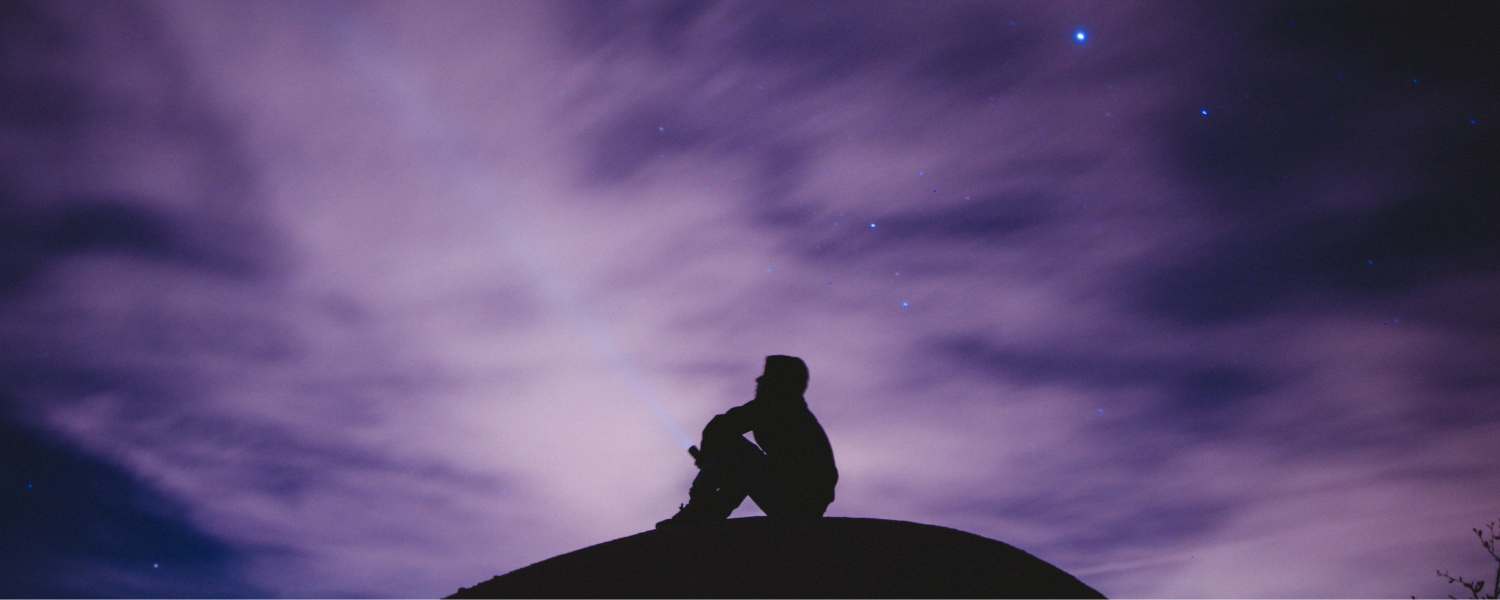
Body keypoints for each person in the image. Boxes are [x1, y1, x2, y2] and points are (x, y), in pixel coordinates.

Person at [656, 355, 838, 528]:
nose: (758, 383)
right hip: (800, 500)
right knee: (741, 463)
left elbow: (720, 427)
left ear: (779, 384)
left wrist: (709, 464)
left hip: (799, 502)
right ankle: (705, 514)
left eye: (766, 380)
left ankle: (700, 514)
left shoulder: (779, 407)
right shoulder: (789, 410)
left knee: (738, 455)